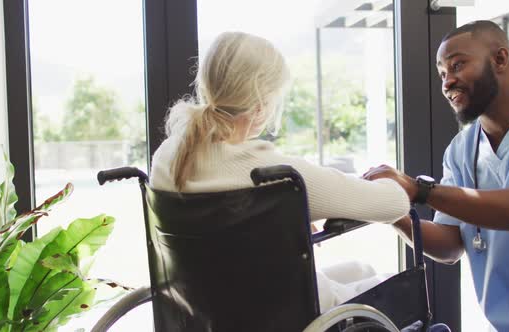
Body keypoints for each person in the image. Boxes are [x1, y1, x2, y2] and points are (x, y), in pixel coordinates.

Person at [149, 31, 412, 313]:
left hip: (208, 307)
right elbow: (394, 203)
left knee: (361, 268)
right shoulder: (274, 175)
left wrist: (287, 212)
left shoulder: (168, 157)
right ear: (262, 105)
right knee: (395, 287)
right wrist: (391, 182)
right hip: (281, 312)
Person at [364, 20, 509, 331]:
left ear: (500, 59)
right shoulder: (461, 150)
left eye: (457, 65)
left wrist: (420, 190)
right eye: (442, 74)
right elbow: (450, 244)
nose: (447, 82)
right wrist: (389, 210)